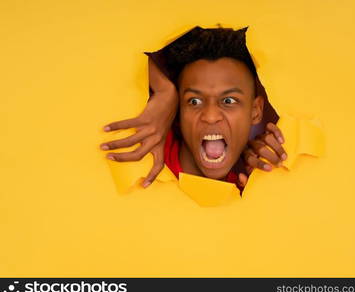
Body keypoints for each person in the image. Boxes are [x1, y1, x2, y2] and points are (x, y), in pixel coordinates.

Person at [100, 26, 287, 189]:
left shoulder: (248, 181)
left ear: (256, 111)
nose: (211, 116)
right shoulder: (144, 145)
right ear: (177, 110)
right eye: (194, 101)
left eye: (229, 101)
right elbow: (103, 37)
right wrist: (164, 90)